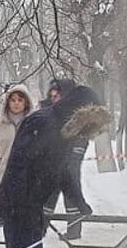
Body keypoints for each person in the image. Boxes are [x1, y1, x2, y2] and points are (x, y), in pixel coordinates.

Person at [0, 83, 111, 248]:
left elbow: (64, 172)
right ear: (78, 112)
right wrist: (23, 205)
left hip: (35, 206)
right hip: (18, 204)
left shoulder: (65, 131)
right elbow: (20, 166)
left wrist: (79, 203)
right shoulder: (42, 122)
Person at [40, 76, 95, 236]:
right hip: (51, 158)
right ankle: (41, 226)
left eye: (58, 95)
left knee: (70, 182)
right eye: (52, 95)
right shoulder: (47, 111)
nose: (54, 98)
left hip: (72, 154)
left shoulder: (77, 114)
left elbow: (84, 133)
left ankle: (74, 228)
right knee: (49, 190)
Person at [0, 84, 35, 227]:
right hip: (4, 176)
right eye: (13, 100)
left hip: (28, 177)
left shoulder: (34, 123)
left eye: (20, 100)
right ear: (7, 102)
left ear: (26, 102)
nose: (16, 104)